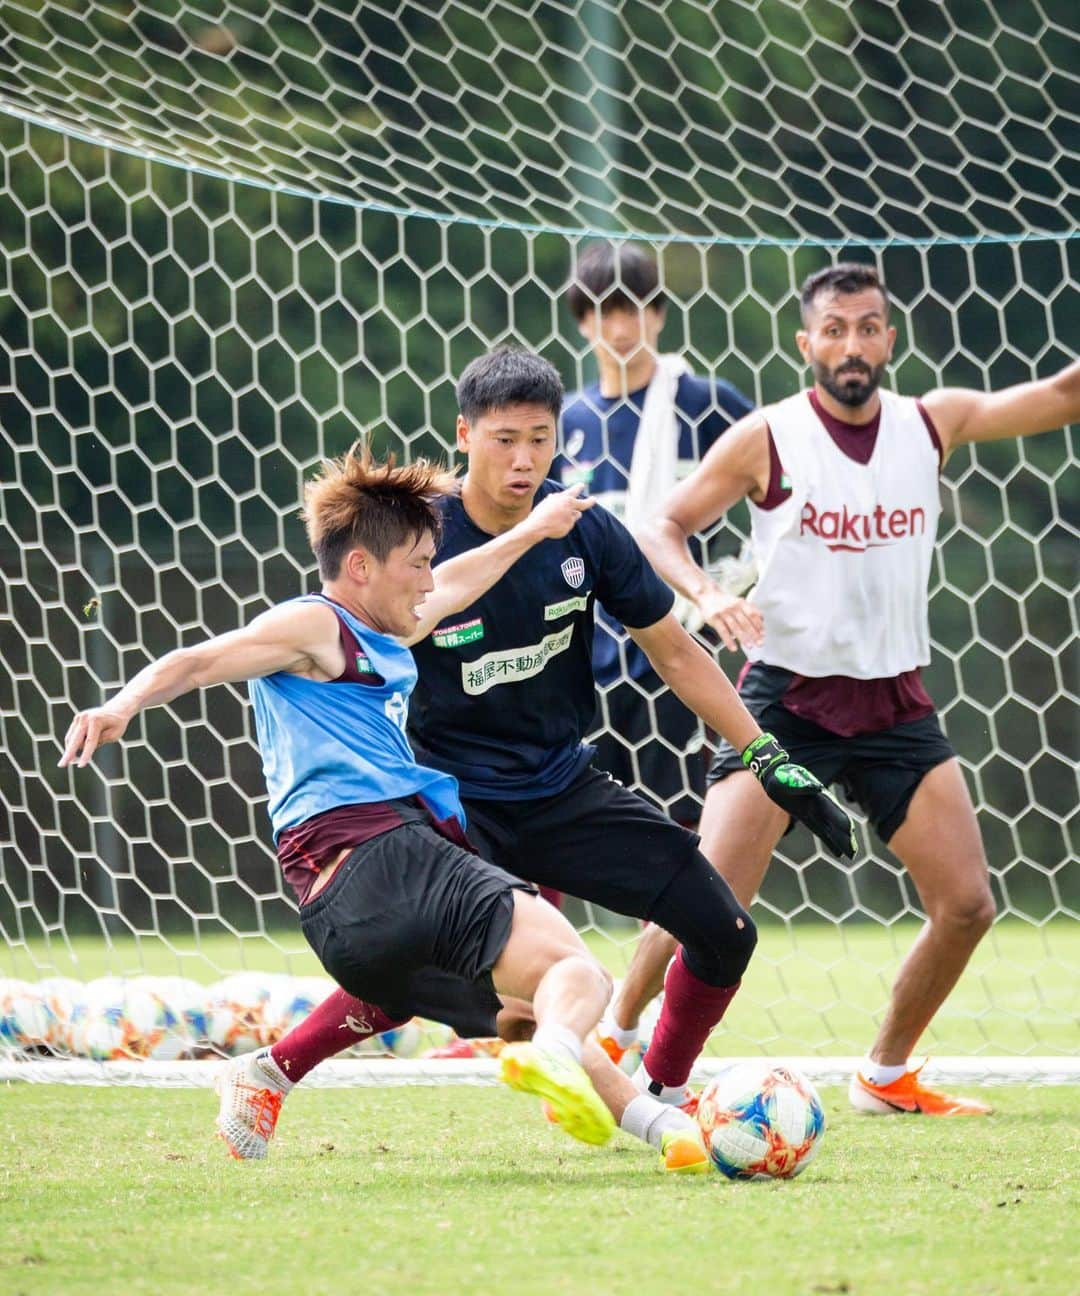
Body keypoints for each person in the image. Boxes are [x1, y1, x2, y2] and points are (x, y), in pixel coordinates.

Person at [215, 345, 856, 1162]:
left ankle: (664, 1093)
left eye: (541, 440)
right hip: (445, 808)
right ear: (464, 434)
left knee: (724, 930)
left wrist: (765, 755)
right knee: (433, 984)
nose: (523, 460)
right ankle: (271, 1073)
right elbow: (336, 633)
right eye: (503, 439)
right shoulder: (420, 541)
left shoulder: (584, 529)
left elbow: (674, 652)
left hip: (560, 787)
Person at [59, 444, 627, 1155]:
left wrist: (533, 531)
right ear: (360, 567)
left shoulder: (388, 626)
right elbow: (201, 659)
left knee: (502, 1004)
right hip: (365, 849)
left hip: (358, 882)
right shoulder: (316, 626)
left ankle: (663, 1128)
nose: (427, 579)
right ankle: (629, 1091)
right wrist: (123, 703)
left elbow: (457, 585)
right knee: (566, 970)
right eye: (416, 561)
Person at [609, 261, 1080, 1116]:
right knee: (705, 902)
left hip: (895, 703)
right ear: (807, 343)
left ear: (888, 339)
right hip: (786, 701)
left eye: (868, 327)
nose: (852, 345)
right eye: (835, 330)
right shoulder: (769, 437)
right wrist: (709, 595)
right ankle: (616, 1031)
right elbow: (660, 527)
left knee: (968, 904)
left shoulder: (932, 422)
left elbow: (1059, 394)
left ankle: (885, 1075)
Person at [556, 240, 754, 1056]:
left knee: (678, 838)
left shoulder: (707, 402)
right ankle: (531, 999)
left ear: (660, 314)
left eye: (635, 304)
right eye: (604, 307)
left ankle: (638, 1016)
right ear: (583, 321)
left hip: (671, 654)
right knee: (546, 822)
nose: (621, 322)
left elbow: (774, 483)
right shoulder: (567, 421)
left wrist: (731, 587)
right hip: (581, 663)